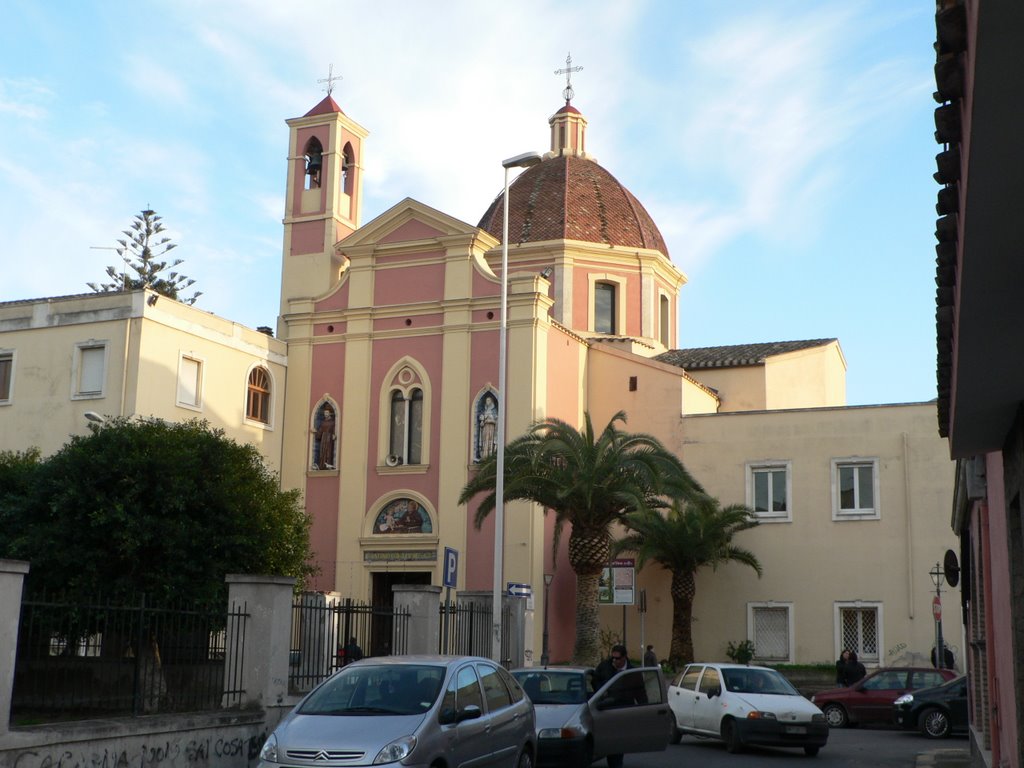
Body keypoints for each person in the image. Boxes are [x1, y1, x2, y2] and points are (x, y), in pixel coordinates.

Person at [593, 645, 633, 768]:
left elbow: (639, 691)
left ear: (625, 657)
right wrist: (600, 693)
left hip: (623, 710)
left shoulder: (631, 671)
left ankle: (616, 762)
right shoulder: (605, 666)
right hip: (606, 709)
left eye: (618, 658)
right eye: (613, 658)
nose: (614, 661)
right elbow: (594, 680)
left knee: (618, 742)